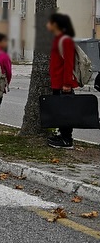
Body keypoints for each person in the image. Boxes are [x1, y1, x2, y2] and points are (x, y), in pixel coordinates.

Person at [47, 13, 78, 149]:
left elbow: (68, 63)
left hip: (63, 84)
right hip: (56, 82)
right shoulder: (58, 39)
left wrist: (67, 83)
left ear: (56, 24)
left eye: (50, 22)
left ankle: (67, 139)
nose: (47, 25)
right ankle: (61, 134)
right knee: (60, 111)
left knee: (65, 112)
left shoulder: (66, 40)